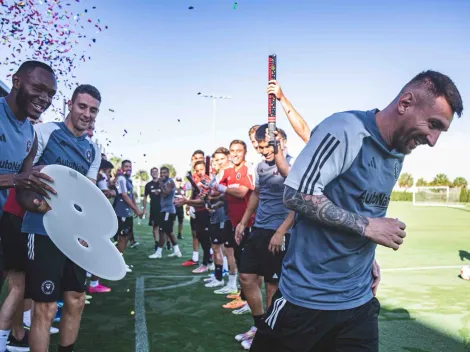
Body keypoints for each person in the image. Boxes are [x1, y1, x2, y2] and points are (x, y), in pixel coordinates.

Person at [250, 70, 464, 352]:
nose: (433, 140)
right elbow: (296, 193)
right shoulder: (346, 129)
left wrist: (367, 255)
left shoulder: (398, 154)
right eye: (433, 124)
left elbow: (363, 207)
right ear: (405, 103)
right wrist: (368, 227)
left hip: (359, 304)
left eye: (441, 131)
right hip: (306, 300)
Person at [17, 84, 103, 352]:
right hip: (41, 229)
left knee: (76, 299)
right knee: (45, 305)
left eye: (93, 110)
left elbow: (87, 196)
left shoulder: (93, 149)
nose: (87, 114)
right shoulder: (44, 132)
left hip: (73, 234)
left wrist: (87, 233)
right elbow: (23, 178)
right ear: (70, 104)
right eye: (82, 106)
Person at [0, 61, 58, 352]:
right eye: (39, 88)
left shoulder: (31, 135)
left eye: (50, 94)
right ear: (17, 81)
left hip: (5, 224)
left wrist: (43, 204)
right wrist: (18, 178)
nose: (45, 99)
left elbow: (22, 188)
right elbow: (18, 177)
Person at [234, 126, 294, 350]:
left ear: (280, 141)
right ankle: (260, 327)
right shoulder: (260, 166)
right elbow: (258, 194)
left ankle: (270, 337)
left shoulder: (293, 164)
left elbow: (300, 201)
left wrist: (281, 232)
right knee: (246, 277)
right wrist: (243, 221)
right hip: (259, 228)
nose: (262, 151)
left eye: (266, 146)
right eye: (258, 147)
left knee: (272, 287)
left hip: (280, 232)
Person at [201, 140, 255, 312]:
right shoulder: (229, 171)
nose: (236, 154)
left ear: (245, 151)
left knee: (249, 266)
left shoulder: (248, 168)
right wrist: (208, 187)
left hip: (248, 223)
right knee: (239, 261)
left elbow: (241, 192)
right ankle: (243, 296)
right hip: (233, 223)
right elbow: (217, 193)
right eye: (233, 151)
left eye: (239, 150)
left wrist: (216, 187)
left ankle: (248, 301)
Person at [113, 159, 143, 269]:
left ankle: (117, 260)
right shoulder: (121, 178)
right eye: (126, 166)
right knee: (122, 238)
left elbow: (131, 196)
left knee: (126, 237)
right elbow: (124, 196)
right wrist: (136, 210)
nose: (128, 168)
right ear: (122, 168)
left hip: (127, 213)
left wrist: (134, 209)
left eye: (130, 166)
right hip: (121, 213)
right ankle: (116, 262)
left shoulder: (128, 179)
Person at [181, 150, 205, 267]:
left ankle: (209, 260)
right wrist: (189, 204)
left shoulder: (206, 174)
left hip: (204, 208)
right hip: (195, 206)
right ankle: (195, 258)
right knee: (195, 234)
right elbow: (194, 192)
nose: (197, 159)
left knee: (206, 236)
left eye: (200, 157)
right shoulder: (194, 175)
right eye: (195, 158)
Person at [153, 167, 182, 258]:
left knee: (164, 231)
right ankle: (176, 251)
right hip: (165, 210)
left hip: (168, 211)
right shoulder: (165, 183)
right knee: (168, 232)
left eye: (164, 173)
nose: (162, 175)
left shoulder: (170, 182)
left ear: (168, 173)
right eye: (161, 173)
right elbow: (164, 193)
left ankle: (159, 252)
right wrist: (158, 192)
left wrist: (160, 185)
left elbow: (166, 192)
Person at [144, 168, 164, 258]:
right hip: (153, 208)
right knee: (155, 226)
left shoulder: (162, 183)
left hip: (163, 208)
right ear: (151, 174)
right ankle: (156, 242)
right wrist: (144, 209)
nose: (155, 173)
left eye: (156, 172)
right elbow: (145, 197)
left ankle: (166, 242)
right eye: (153, 172)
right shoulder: (148, 185)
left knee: (164, 227)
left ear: (158, 173)